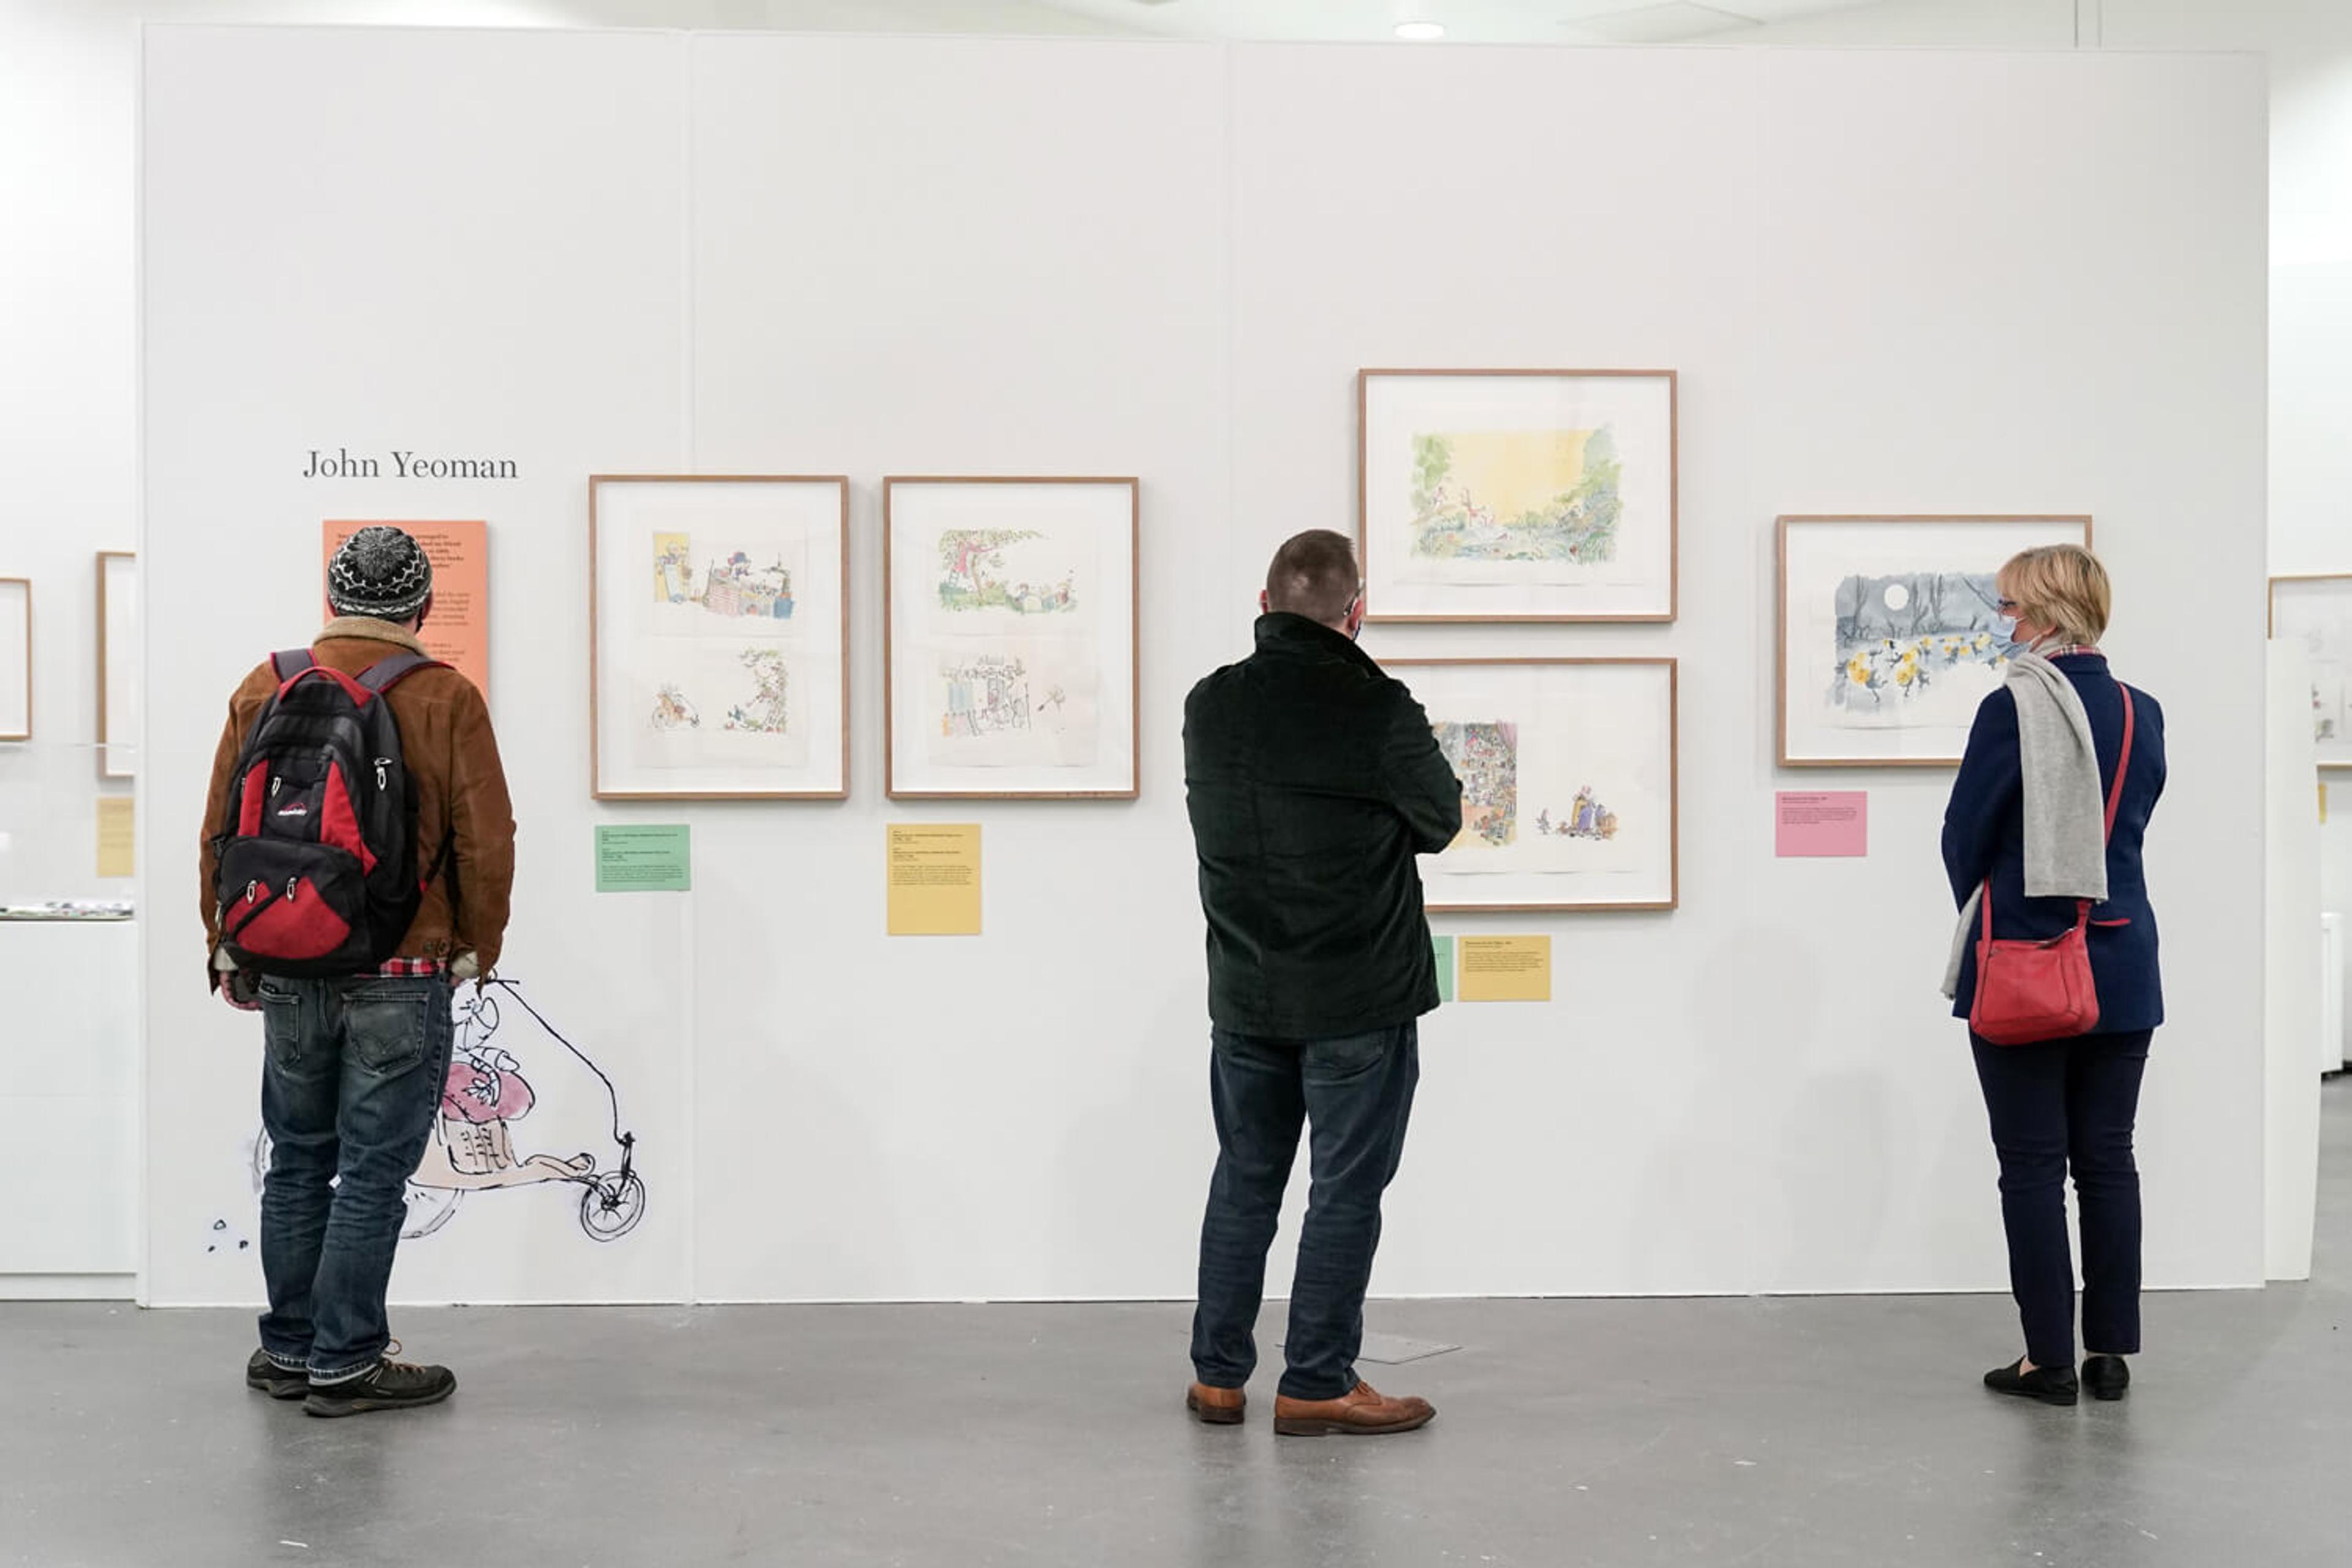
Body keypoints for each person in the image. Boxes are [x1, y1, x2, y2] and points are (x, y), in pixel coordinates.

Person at [202, 526, 516, 1417]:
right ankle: (347, 1358)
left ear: (333, 597)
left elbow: (219, 830)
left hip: (289, 958)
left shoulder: (265, 684)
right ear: (420, 605)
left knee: (299, 1158)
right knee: (374, 1171)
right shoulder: (445, 696)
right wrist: (476, 948)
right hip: (402, 964)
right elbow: (485, 840)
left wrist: (226, 941)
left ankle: (290, 1349)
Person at [1179, 529, 1463, 1437]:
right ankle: (1316, 1382)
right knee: (1344, 1190)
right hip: (1359, 998)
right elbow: (1444, 820)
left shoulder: (1211, 704)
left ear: (1264, 608)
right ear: (1356, 612)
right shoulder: (1377, 707)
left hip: (1248, 991)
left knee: (1245, 1179)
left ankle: (1218, 1379)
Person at [1941, 545, 2165, 1407]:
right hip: (2125, 963)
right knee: (2108, 1159)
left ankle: (2049, 1361)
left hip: (2028, 963)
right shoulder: (2144, 713)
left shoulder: (2014, 709)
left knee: (2032, 1165)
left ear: (2042, 610)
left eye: (2008, 607)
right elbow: (2129, 832)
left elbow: (1966, 835)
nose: (2004, 623)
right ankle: (2111, 1354)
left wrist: (1996, 911)